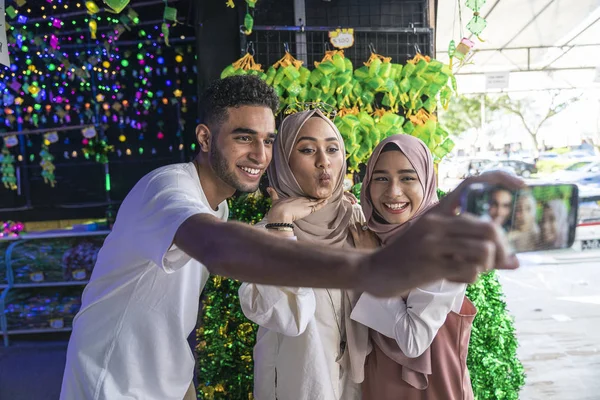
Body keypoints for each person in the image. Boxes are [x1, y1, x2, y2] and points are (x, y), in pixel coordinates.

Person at [60, 75, 521, 400]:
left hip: (173, 379)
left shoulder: (355, 220)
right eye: (244, 138)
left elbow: (166, 310)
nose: (258, 153)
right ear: (205, 137)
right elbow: (223, 253)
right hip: (112, 385)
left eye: (266, 140)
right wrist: (292, 228)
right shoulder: (171, 192)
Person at [239, 109, 366, 400]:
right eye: (308, 150)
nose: (324, 161)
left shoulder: (358, 222)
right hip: (301, 387)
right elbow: (289, 318)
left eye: (333, 149)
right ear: (284, 161)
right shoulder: (264, 237)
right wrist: (282, 225)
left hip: (358, 387)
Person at [349, 135, 476, 399]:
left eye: (408, 178)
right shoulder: (375, 235)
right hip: (380, 383)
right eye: (381, 178)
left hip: (431, 390)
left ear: (428, 181)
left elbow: (413, 340)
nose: (393, 191)